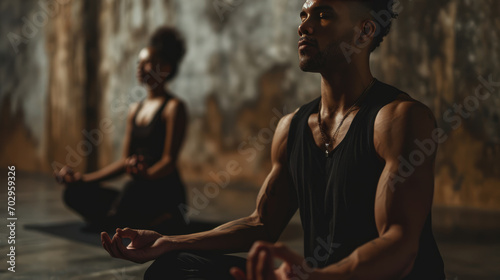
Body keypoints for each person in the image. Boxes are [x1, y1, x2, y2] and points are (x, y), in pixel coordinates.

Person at [101, 1, 446, 279]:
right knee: (173, 268)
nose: (304, 26)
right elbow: (261, 224)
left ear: (365, 30)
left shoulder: (398, 118)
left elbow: (400, 245)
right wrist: (167, 243)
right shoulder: (292, 126)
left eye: (324, 14)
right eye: (304, 14)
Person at [55, 27, 188, 234]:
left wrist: (147, 176)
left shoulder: (173, 108)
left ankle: (153, 216)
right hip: (136, 191)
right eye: (138, 63)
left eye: (147, 62)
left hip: (162, 192)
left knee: (132, 190)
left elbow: (169, 161)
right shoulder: (135, 109)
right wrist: (83, 179)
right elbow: (125, 162)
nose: (140, 67)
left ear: (166, 68)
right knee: (74, 193)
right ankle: (132, 220)